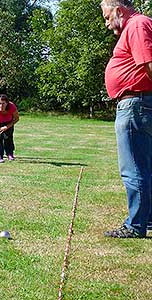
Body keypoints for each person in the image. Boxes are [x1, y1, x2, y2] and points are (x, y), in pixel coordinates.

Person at [101, 0, 152, 238]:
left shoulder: (137, 25)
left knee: (133, 168)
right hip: (139, 104)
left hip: (136, 104)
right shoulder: (137, 26)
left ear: (119, 10)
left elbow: (148, 63)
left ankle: (135, 225)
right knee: (144, 166)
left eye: (107, 16)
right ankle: (146, 219)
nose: (106, 23)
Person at [0, 94, 19, 163]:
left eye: (3, 104)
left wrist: (7, 127)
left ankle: (9, 153)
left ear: (7, 103)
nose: (1, 106)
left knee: (8, 137)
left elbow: (16, 118)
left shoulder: (12, 106)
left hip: (9, 121)